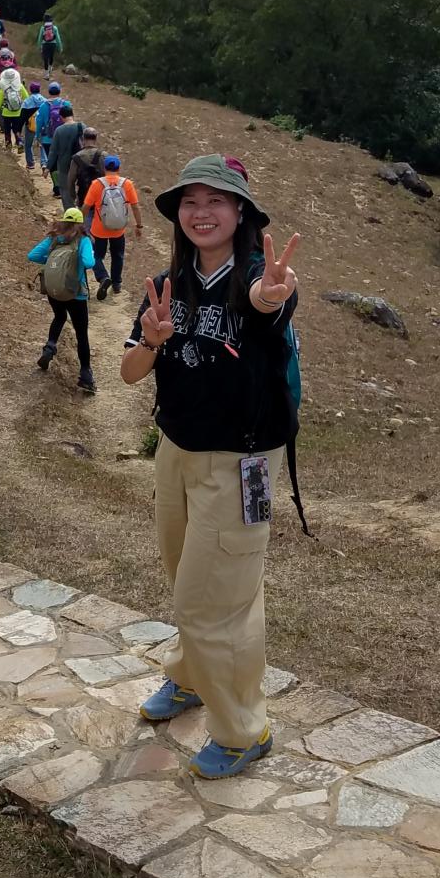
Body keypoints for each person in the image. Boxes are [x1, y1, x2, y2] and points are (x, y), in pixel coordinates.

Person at [122, 155, 301, 779]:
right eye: (190, 202)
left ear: (241, 212)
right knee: (193, 582)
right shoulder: (167, 284)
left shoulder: (257, 277)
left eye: (216, 200)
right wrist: (152, 340)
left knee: (209, 603)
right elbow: (129, 372)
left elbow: (265, 301)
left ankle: (243, 730)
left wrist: (271, 295)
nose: (202, 213)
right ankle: (192, 676)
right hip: (175, 452)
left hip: (239, 462)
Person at [28, 208, 96, 394]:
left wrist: (52, 260)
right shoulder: (83, 240)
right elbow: (89, 263)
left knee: (59, 317)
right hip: (75, 294)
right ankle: (85, 375)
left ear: (64, 221)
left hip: (54, 291)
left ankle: (49, 348)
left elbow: (32, 255)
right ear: (81, 223)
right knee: (81, 334)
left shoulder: (55, 238)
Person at [83, 153, 142, 299]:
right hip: (118, 229)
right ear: (118, 168)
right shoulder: (127, 184)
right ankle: (116, 284)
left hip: (99, 229)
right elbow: (135, 207)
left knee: (96, 255)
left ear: (104, 168)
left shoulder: (97, 184)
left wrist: (79, 223)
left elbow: (86, 206)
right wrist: (139, 225)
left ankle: (103, 277)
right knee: (117, 255)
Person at [47, 102, 83, 207]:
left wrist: (48, 167)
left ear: (61, 117)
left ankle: (69, 212)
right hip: (81, 163)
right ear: (72, 115)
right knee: (82, 187)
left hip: (64, 165)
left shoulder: (59, 130)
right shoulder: (82, 126)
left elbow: (53, 151)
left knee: (65, 190)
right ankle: (82, 211)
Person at [0, 65, 29, 152]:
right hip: (18, 113)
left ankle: (8, 145)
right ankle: (19, 143)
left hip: (6, 113)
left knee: (7, 130)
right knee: (17, 129)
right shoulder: (20, 86)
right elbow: (27, 98)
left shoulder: (3, 89)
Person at [68, 126, 105, 210]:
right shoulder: (104, 155)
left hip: (84, 197)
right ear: (96, 139)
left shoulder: (76, 157)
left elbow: (71, 180)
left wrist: (73, 196)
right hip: (101, 198)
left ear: (83, 139)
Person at [34, 82, 63, 178]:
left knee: (52, 163)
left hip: (47, 139)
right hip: (63, 139)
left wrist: (37, 136)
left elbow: (38, 123)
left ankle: (56, 184)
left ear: (49, 92)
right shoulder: (66, 104)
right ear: (59, 91)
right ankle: (63, 182)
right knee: (63, 162)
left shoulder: (43, 106)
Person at [20, 80, 42, 169]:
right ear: (39, 89)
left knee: (28, 145)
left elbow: (22, 116)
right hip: (42, 126)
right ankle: (44, 163)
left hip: (30, 126)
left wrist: (19, 129)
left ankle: (30, 163)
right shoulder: (44, 100)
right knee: (43, 145)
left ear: (30, 90)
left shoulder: (27, 101)